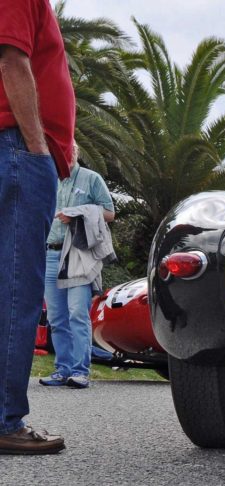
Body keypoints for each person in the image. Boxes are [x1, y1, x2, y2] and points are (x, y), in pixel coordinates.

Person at [0, 0, 75, 454]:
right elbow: (12, 57)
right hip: (15, 150)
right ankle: (5, 420)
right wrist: (37, 145)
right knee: (15, 290)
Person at [40, 144, 115, 389]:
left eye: (68, 151)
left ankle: (80, 371)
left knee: (77, 313)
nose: (65, 155)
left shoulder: (91, 179)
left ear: (76, 153)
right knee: (56, 317)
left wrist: (78, 212)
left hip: (78, 253)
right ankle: (62, 370)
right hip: (50, 254)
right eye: (59, 152)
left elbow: (109, 213)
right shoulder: (50, 178)